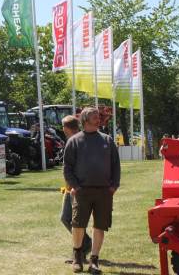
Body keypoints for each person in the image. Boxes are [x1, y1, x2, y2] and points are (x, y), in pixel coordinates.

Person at [63, 108, 121, 274]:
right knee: (77, 224)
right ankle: (78, 257)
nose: (98, 120)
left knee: (100, 226)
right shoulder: (74, 141)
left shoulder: (107, 140)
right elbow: (67, 168)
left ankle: (94, 260)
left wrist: (114, 185)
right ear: (85, 120)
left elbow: (115, 165)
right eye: (95, 117)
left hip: (104, 192)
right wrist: (75, 186)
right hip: (82, 192)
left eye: (99, 117)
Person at [58, 117, 91, 264]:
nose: (62, 130)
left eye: (63, 127)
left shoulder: (78, 142)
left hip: (76, 188)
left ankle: (84, 247)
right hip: (71, 187)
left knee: (69, 219)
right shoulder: (74, 141)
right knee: (69, 219)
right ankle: (83, 248)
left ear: (67, 128)